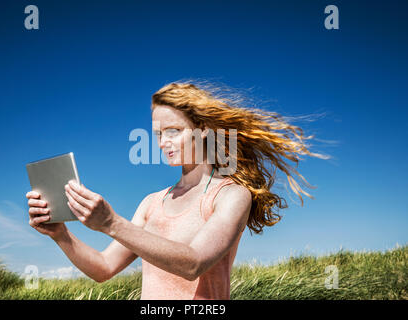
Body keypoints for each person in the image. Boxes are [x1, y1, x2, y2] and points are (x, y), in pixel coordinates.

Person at [26, 80, 329, 299]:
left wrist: (111, 223)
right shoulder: (151, 203)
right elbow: (104, 268)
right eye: (158, 134)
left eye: (174, 131)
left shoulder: (230, 194)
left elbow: (194, 263)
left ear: (204, 130)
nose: (162, 143)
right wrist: (61, 235)